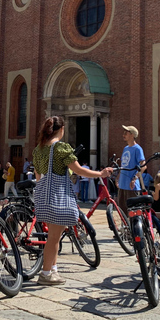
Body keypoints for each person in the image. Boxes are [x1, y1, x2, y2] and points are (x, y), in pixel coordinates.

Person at [32, 115, 112, 285]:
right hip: (58, 197)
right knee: (53, 238)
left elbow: (39, 176)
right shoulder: (61, 148)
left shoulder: (38, 149)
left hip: (44, 197)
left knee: (54, 236)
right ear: (61, 130)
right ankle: (45, 274)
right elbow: (79, 170)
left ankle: (53, 270)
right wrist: (101, 174)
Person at [118, 125, 146, 215]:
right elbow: (123, 165)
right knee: (122, 211)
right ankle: (126, 228)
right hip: (122, 184)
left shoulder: (137, 149)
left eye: (126, 133)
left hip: (131, 186)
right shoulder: (125, 148)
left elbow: (144, 166)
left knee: (133, 212)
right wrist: (118, 177)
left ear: (132, 135)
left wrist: (135, 178)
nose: (123, 135)